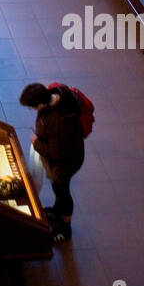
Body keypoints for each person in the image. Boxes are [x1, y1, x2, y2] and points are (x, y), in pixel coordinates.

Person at [19, 82, 86, 242]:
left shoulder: (57, 121)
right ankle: (56, 211)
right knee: (58, 188)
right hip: (72, 155)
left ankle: (65, 227)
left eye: (32, 107)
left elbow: (56, 152)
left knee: (62, 190)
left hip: (65, 163)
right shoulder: (56, 96)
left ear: (41, 104)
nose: (32, 110)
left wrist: (36, 142)